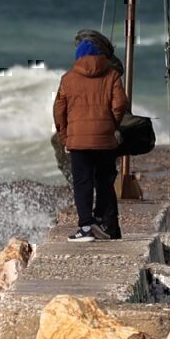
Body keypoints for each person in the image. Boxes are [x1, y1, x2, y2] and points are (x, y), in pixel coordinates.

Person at [52, 37, 129, 242]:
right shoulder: (112, 75)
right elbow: (120, 104)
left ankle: (86, 226)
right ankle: (108, 226)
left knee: (82, 183)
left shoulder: (68, 79)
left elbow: (59, 111)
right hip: (105, 139)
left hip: (78, 142)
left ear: (78, 59)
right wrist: (111, 125)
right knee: (105, 182)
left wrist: (65, 137)